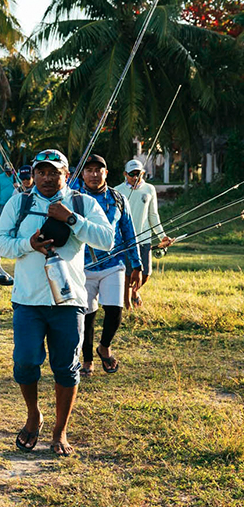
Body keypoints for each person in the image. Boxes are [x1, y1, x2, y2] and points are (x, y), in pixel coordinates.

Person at [0, 149, 113, 456]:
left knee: (66, 367)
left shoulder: (82, 202)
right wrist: (28, 244)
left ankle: (60, 432)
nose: (47, 178)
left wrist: (71, 219)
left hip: (69, 300)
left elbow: (106, 239)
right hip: (27, 300)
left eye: (54, 172)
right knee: (25, 361)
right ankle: (33, 415)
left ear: (66, 175)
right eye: (41, 172)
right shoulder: (19, 202)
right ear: (33, 174)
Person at [78, 155, 142, 376]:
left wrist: (137, 264)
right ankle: (87, 360)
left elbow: (128, 231)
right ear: (83, 174)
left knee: (115, 311)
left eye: (99, 170)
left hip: (113, 264)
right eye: (89, 170)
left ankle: (104, 347)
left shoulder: (118, 198)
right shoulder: (73, 198)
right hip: (82, 266)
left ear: (106, 173)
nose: (94, 174)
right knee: (87, 315)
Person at [113, 159, 173, 308]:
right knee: (127, 275)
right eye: (132, 174)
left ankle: (135, 292)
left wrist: (162, 236)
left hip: (144, 239)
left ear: (143, 174)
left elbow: (153, 215)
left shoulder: (149, 189)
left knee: (145, 274)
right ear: (125, 174)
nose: (135, 177)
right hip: (125, 241)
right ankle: (127, 307)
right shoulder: (116, 190)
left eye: (138, 174)